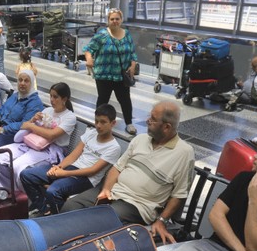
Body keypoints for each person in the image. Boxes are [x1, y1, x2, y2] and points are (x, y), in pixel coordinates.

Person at [62, 101, 194, 243]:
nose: (147, 121)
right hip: (113, 191)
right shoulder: (140, 139)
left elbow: (179, 194)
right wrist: (106, 189)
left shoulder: (184, 153)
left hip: (136, 204)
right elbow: (117, 168)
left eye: (153, 119)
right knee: (70, 207)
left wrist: (161, 220)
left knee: (98, 221)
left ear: (167, 127)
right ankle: (53, 246)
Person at [21, 103, 121, 217]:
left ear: (113, 123)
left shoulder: (114, 147)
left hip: (87, 179)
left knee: (53, 191)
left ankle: (57, 219)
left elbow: (93, 170)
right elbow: (73, 155)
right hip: (71, 168)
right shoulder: (91, 133)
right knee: (27, 175)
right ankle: (44, 209)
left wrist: (64, 173)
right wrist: (58, 167)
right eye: (96, 121)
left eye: (103, 122)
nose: (98, 125)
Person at [0, 82, 77, 191]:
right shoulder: (47, 110)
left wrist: (31, 126)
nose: (52, 100)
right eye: (50, 96)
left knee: (16, 166)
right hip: (32, 143)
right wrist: (32, 121)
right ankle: (6, 189)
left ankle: (22, 196)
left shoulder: (70, 117)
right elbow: (26, 126)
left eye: (55, 97)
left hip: (51, 150)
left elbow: (51, 135)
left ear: (64, 99)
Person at [0, 68, 43, 166]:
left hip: (15, 135)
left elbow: (25, 124)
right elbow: (1, 109)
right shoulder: (16, 95)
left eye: (26, 81)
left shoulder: (35, 102)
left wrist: (3, 130)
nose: (22, 83)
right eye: (20, 80)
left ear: (31, 83)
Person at [84, 8, 138, 136]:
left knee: (125, 100)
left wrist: (133, 65)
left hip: (121, 76)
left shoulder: (127, 34)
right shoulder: (102, 34)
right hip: (104, 75)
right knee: (103, 100)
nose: (114, 21)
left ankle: (129, 123)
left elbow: (132, 52)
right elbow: (88, 49)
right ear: (108, 21)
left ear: (121, 20)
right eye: (112, 19)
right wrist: (89, 58)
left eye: (117, 19)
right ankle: (98, 122)